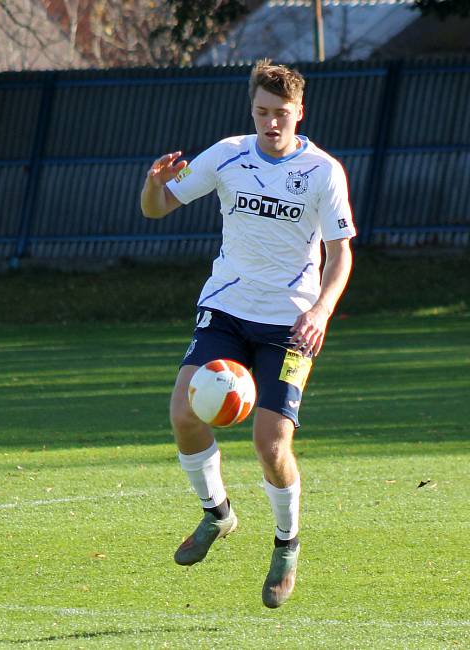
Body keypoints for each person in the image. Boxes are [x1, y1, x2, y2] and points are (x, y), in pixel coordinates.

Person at [140, 60, 355, 608]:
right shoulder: (228, 154)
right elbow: (157, 208)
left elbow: (340, 254)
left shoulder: (323, 172)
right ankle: (218, 513)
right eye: (262, 112)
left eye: (281, 113)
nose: (270, 122)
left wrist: (322, 311)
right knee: (183, 415)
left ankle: (286, 545)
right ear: (252, 110)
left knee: (270, 441)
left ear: (299, 112)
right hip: (226, 311)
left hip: (289, 324)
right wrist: (153, 183)